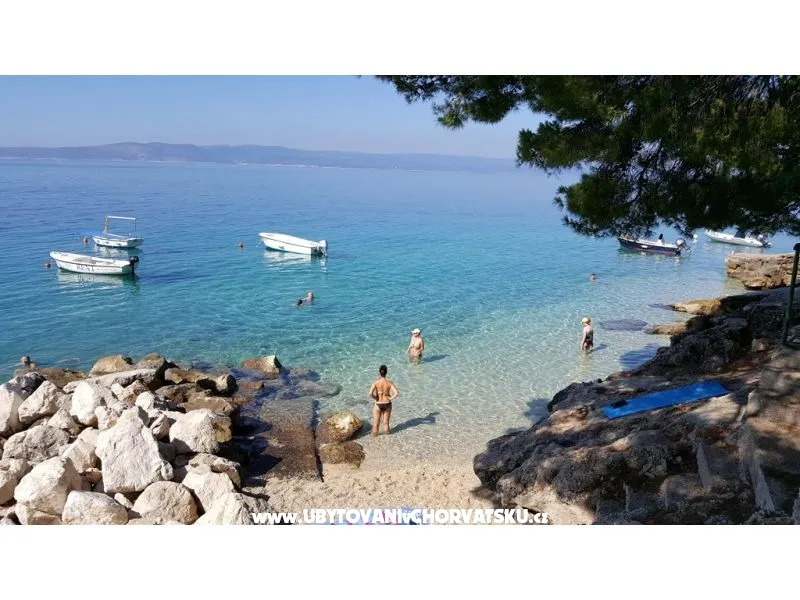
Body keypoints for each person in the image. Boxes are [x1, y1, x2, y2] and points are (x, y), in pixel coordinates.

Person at [369, 365, 399, 435]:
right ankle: (388, 438)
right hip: (387, 404)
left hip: (378, 404)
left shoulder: (375, 382)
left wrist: (375, 398)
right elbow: (396, 393)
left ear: (379, 372)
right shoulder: (389, 382)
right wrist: (390, 398)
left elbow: (370, 393)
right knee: (386, 423)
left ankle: (375, 438)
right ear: (386, 372)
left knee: (376, 424)